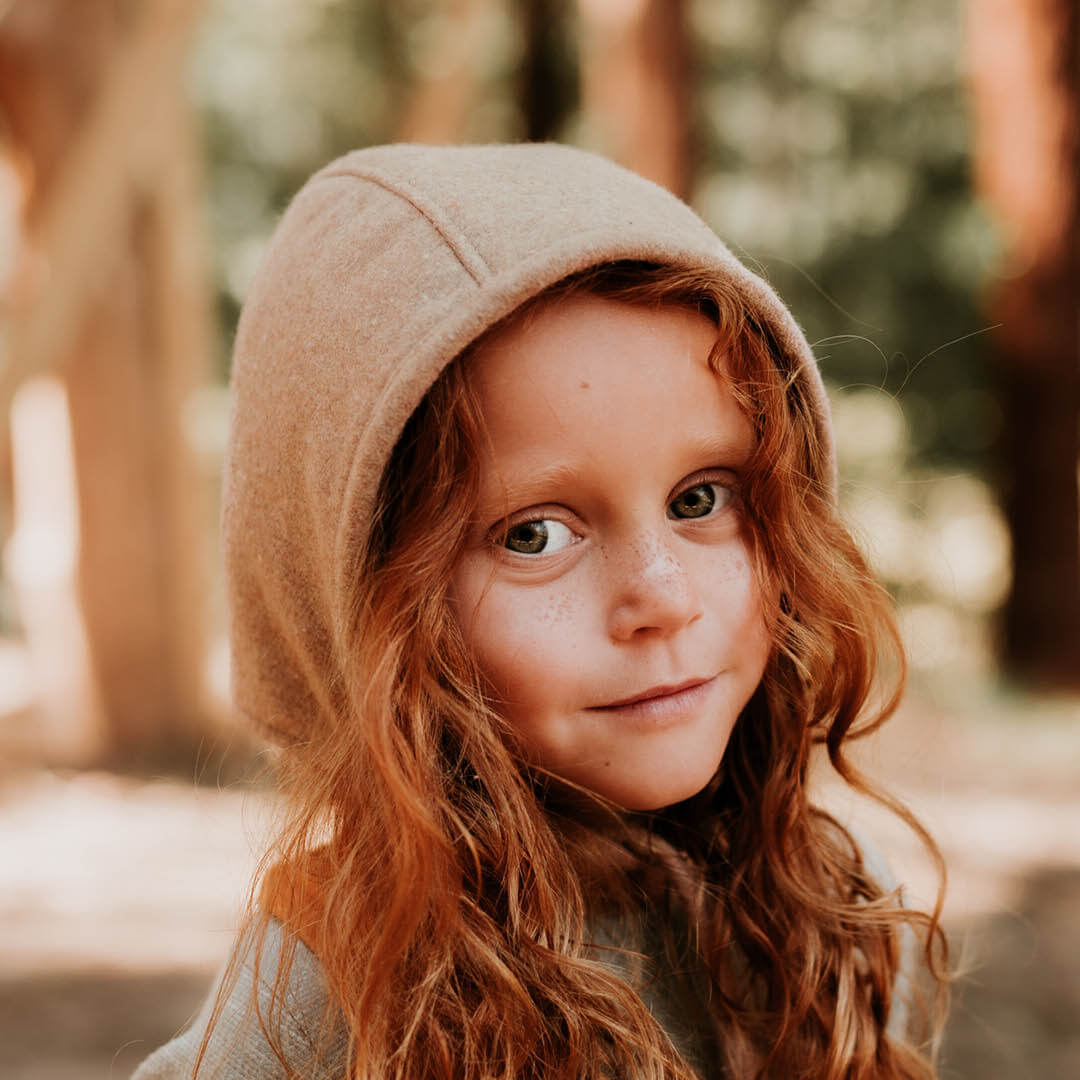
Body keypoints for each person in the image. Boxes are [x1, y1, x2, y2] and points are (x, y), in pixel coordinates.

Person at [133, 143, 946, 1080]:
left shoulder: (832, 915)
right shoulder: (335, 988)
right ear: (361, 613)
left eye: (700, 499)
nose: (663, 598)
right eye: (534, 536)